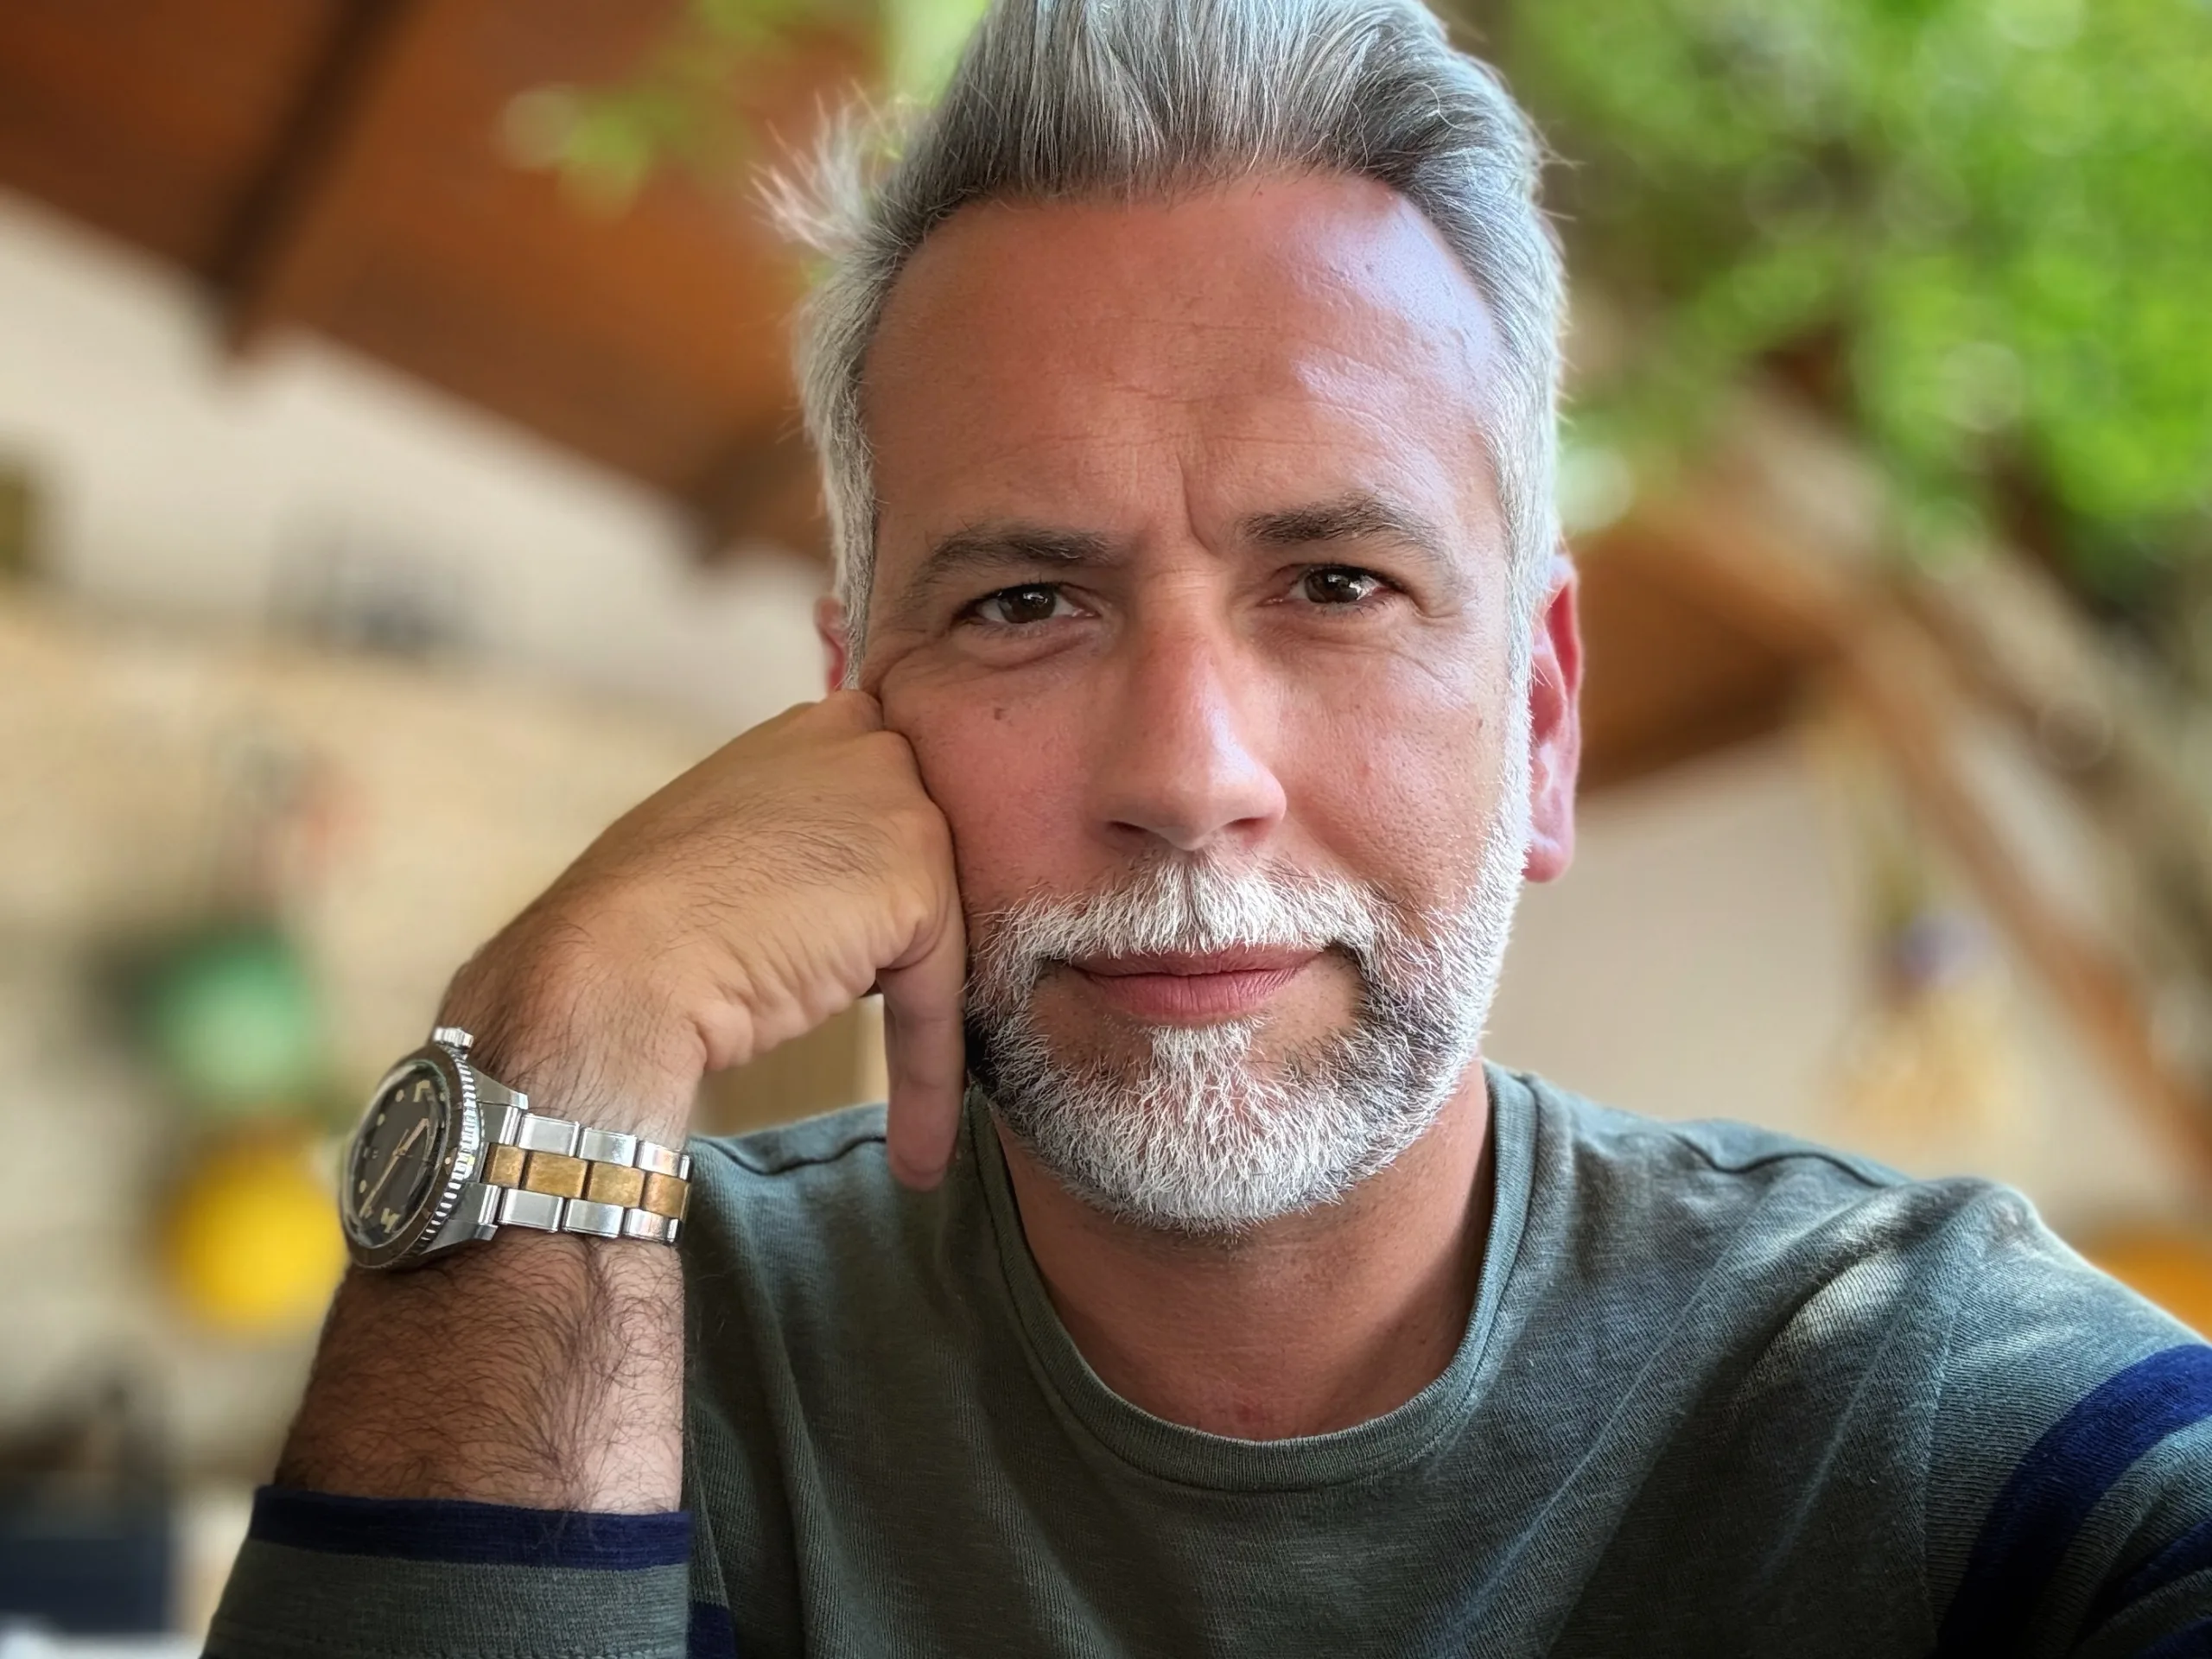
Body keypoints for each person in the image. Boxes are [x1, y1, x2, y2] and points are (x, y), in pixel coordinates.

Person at [207, 2, 2212, 1655]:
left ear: (1538, 717)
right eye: (1022, 603)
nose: (1185, 771)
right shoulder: (611, 1327)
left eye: (1336, 584)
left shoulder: (1910, 1397)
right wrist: (558, 1021)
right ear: (846, 719)